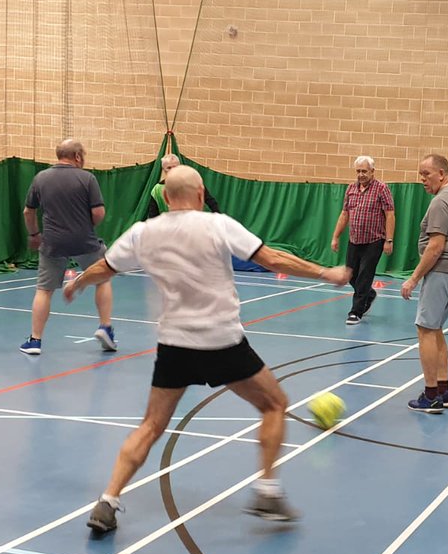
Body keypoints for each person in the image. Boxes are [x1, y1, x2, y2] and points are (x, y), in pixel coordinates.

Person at [64, 165, 351, 532]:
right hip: (223, 343)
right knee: (275, 404)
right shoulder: (218, 224)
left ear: (165, 198)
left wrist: (79, 283)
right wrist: (326, 273)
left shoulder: (142, 233)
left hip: (175, 346)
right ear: (201, 195)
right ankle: (267, 491)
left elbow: (105, 267)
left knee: (151, 425)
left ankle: (108, 500)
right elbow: (272, 259)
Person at [20, 139, 115, 355]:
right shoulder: (87, 178)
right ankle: (105, 327)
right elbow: (98, 213)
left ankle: (35, 341)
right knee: (103, 279)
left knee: (44, 290)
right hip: (85, 240)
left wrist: (34, 234)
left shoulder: (40, 178)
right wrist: (84, 226)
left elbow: (28, 211)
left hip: (53, 242)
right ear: (78, 157)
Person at [400, 154, 448, 414]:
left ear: (441, 174)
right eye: (420, 174)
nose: (422, 180)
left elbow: (436, 245)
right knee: (436, 328)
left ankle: (430, 396)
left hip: (442, 270)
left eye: (426, 174)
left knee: (425, 329)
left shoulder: (441, 201)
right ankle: (444, 390)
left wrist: (414, 277)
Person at [330, 155, 395, 325]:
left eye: (364, 171)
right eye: (358, 171)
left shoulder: (382, 189)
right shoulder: (351, 189)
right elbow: (344, 214)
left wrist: (389, 240)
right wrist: (335, 236)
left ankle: (355, 312)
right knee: (350, 276)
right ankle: (369, 294)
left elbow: (390, 214)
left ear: (372, 171)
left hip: (374, 240)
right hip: (354, 240)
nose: (361, 174)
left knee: (365, 276)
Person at [147, 153, 221, 218]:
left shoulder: (193, 183)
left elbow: (211, 202)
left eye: (175, 167)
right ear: (163, 169)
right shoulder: (156, 190)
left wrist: (218, 218)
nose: (173, 170)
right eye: (169, 168)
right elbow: (153, 215)